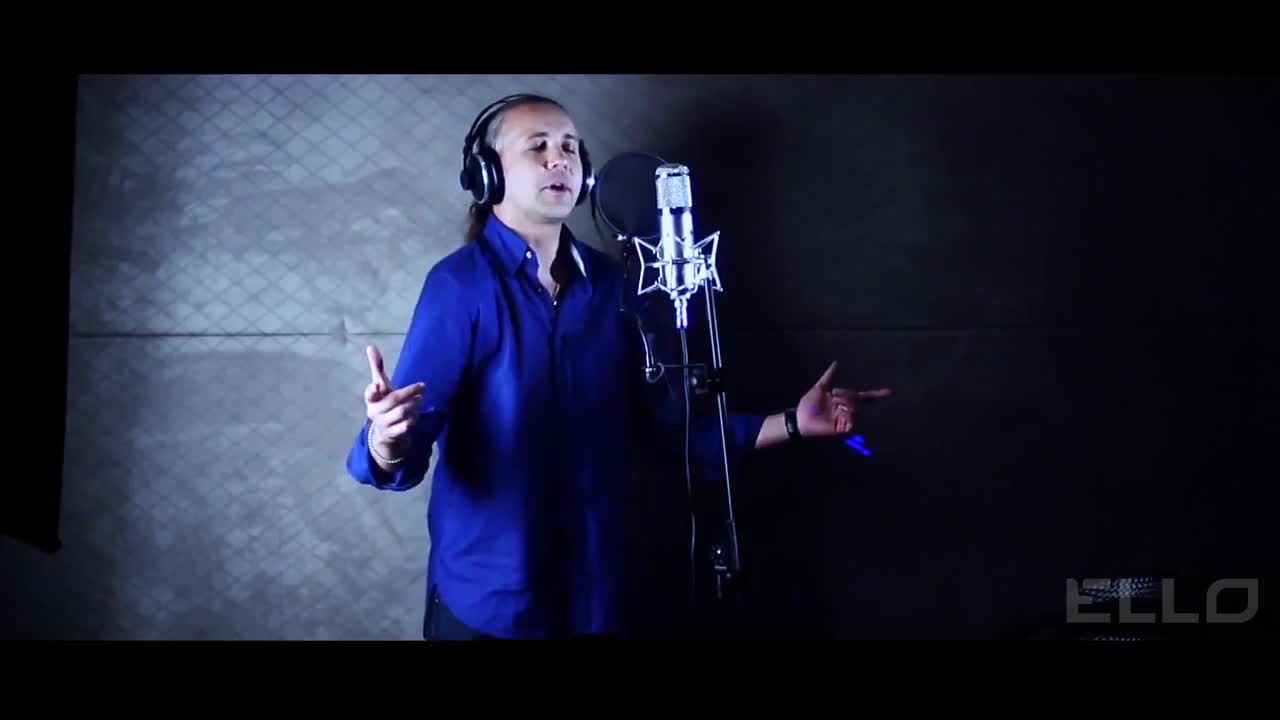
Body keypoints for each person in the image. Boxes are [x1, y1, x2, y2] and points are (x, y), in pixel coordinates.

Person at [345, 93, 892, 640]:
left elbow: (675, 431)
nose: (559, 160)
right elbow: (402, 446)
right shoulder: (458, 287)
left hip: (599, 600)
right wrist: (386, 440)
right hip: (489, 604)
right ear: (488, 174)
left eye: (569, 147)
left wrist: (792, 422)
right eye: (538, 147)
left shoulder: (615, 287)